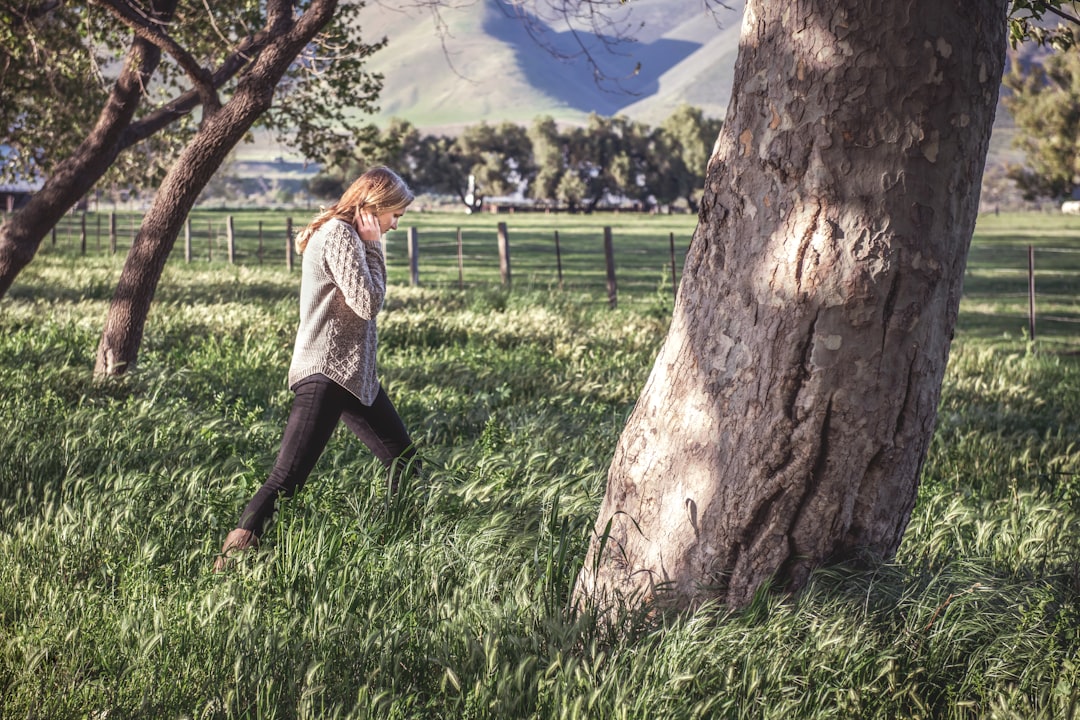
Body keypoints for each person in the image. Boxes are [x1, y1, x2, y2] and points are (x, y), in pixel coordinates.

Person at [214, 166, 418, 572]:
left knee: (404, 461)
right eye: (395, 214)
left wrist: (370, 244)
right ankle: (230, 563)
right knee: (286, 478)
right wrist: (374, 247)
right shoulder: (341, 235)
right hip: (327, 372)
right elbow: (367, 303)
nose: (396, 224)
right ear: (374, 206)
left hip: (354, 376)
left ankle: (399, 548)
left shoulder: (348, 234)